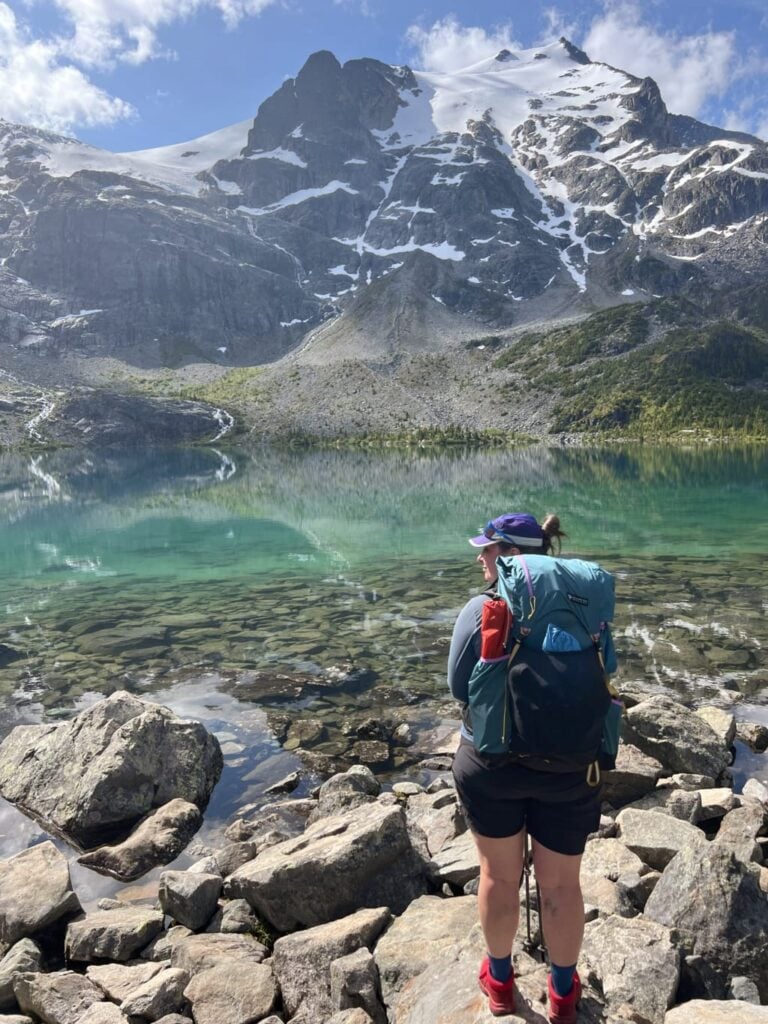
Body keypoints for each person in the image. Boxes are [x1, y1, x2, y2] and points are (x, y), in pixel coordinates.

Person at [447, 512, 604, 1023]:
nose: (480, 557)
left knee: (497, 874)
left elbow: (456, 686)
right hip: (572, 768)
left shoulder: (483, 607)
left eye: (488, 549)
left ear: (511, 555)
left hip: (492, 764)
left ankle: (499, 982)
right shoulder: (584, 607)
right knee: (561, 887)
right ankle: (562, 994)